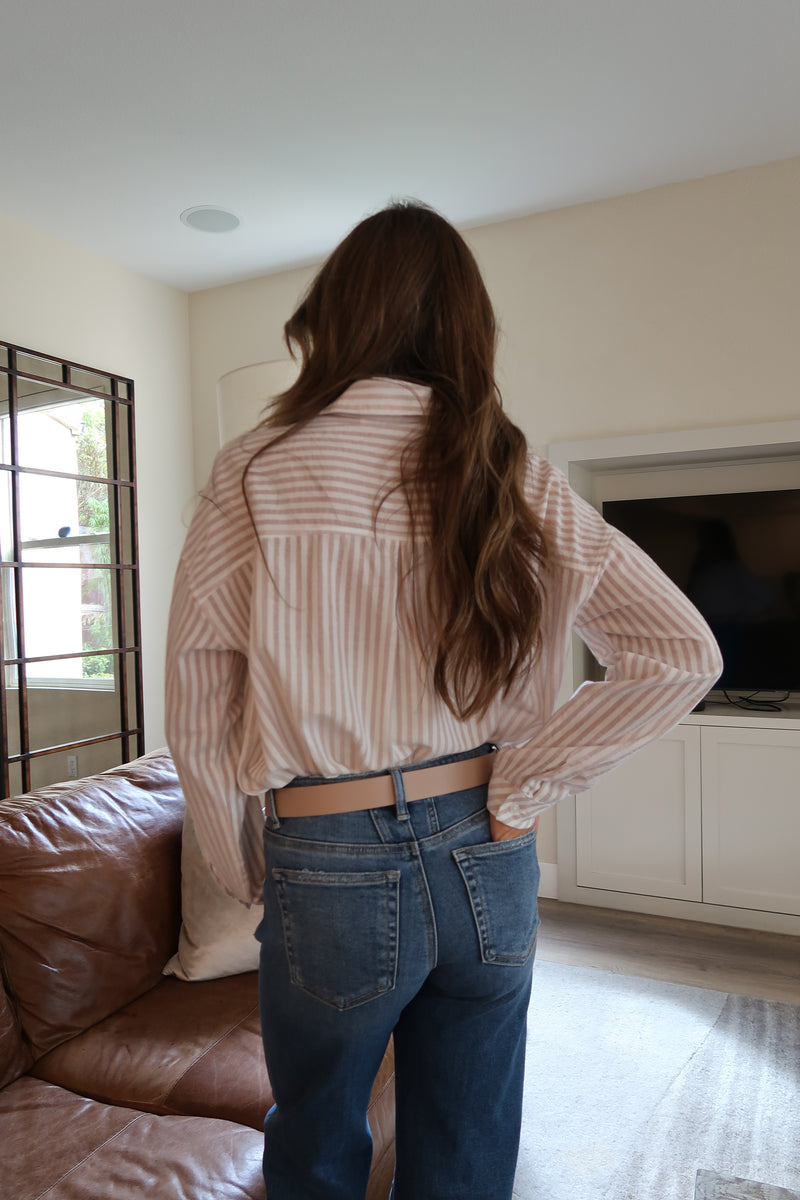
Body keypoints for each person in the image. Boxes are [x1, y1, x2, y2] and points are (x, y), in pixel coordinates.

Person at [165, 200, 722, 1200]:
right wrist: (523, 787)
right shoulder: (513, 477)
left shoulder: (256, 470)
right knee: (467, 1143)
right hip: (489, 853)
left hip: (327, 854)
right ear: (465, 328)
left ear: (333, 316)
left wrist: (236, 855)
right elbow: (678, 650)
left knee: (316, 1143)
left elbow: (203, 693)